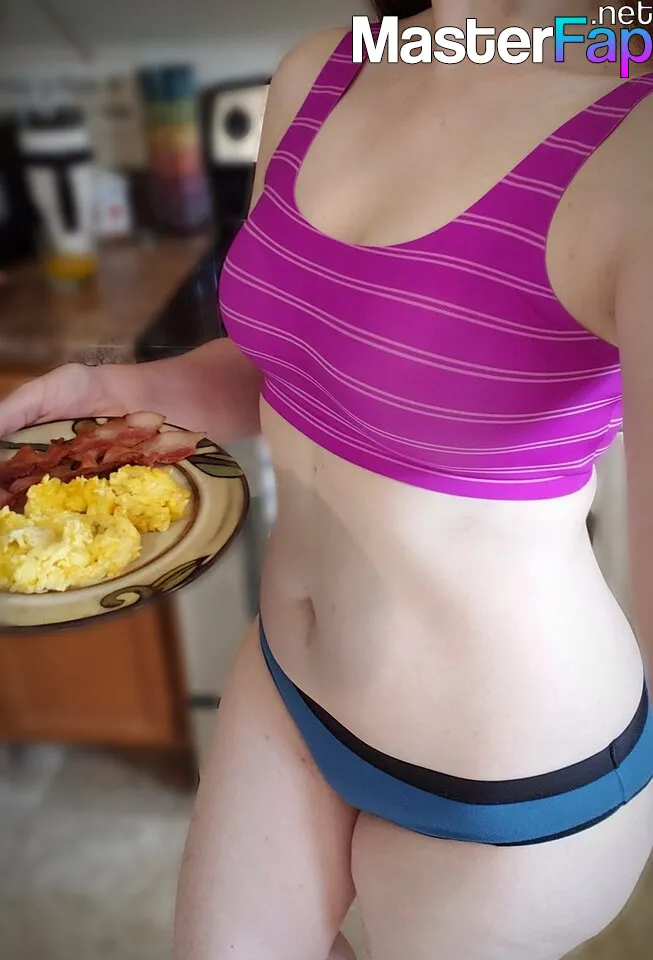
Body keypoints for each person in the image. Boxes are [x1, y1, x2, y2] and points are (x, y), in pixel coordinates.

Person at [3, 2, 653, 957]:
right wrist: (107, 390)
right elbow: (297, 369)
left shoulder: (632, 133)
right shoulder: (323, 69)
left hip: (498, 776)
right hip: (289, 678)